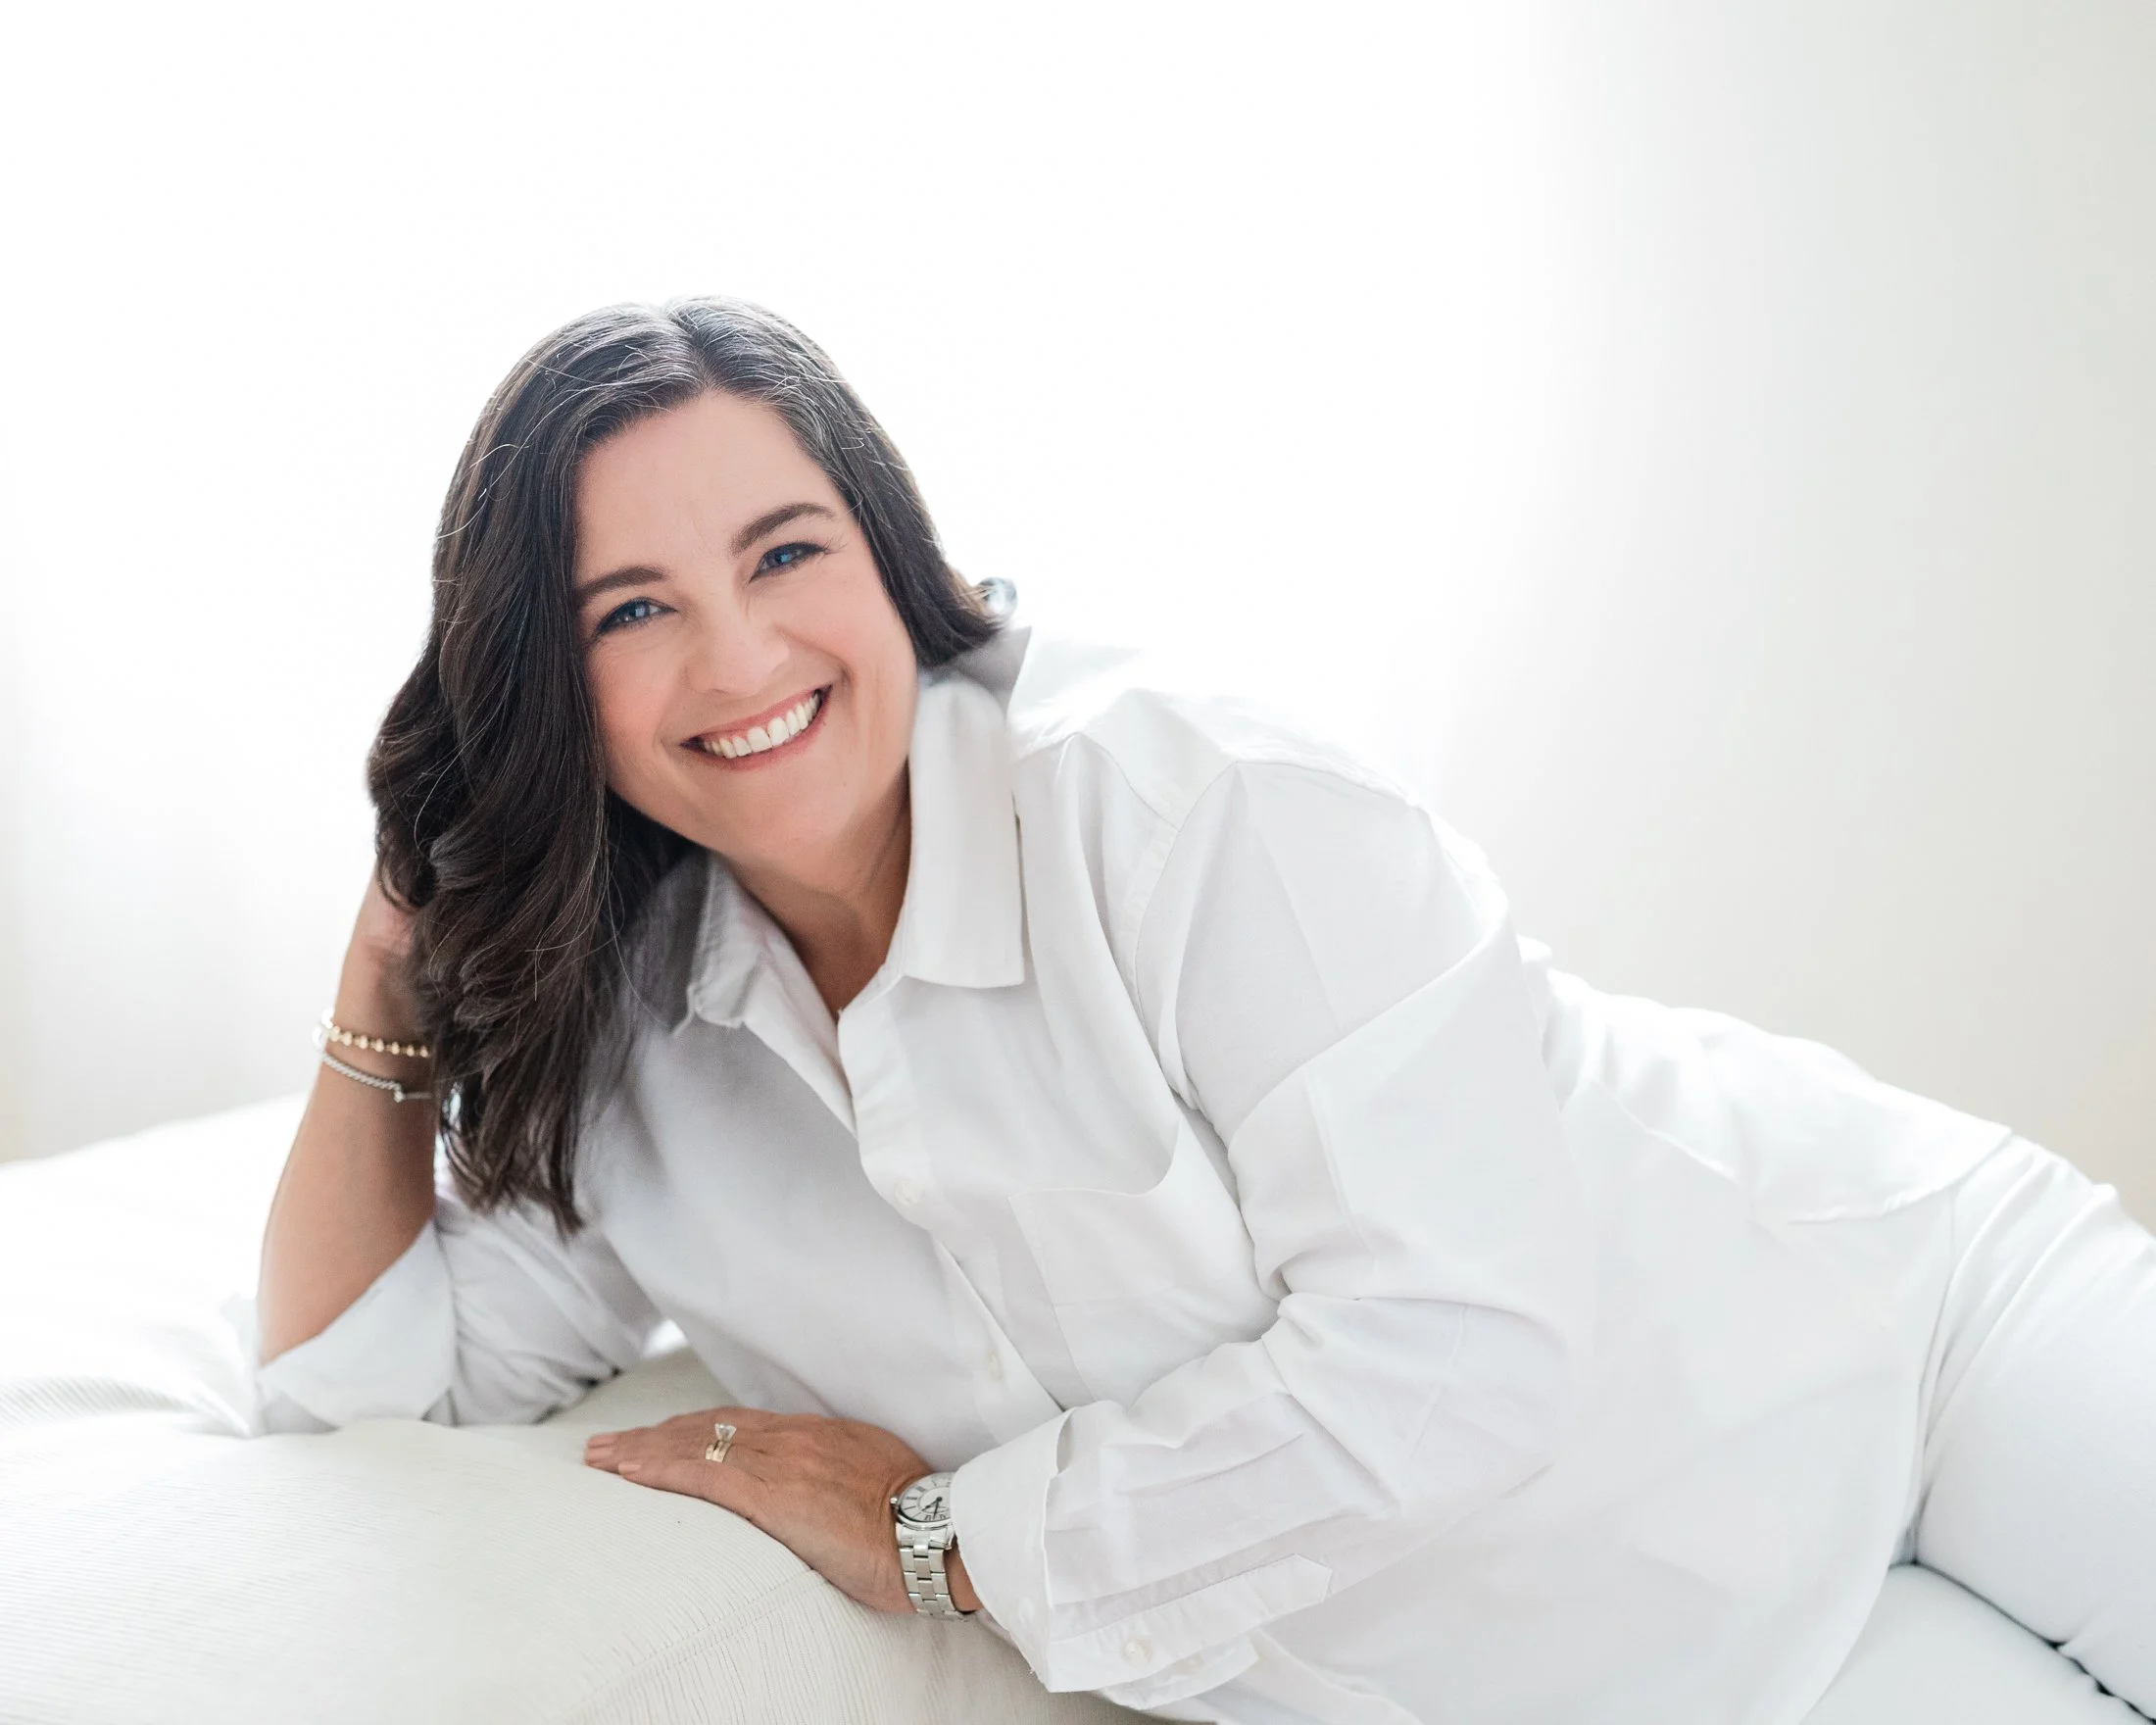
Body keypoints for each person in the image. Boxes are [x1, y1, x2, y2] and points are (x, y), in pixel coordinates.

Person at [245, 296, 2156, 1725]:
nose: (740, 655)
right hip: (1628, 1667)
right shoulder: (639, 1044)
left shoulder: (1187, 800)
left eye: (784, 552)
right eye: (630, 609)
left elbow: (1458, 1350)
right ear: (541, 684)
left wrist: (943, 1541)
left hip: (1908, 1351)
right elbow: (364, 1377)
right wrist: (385, 969)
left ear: (887, 552)